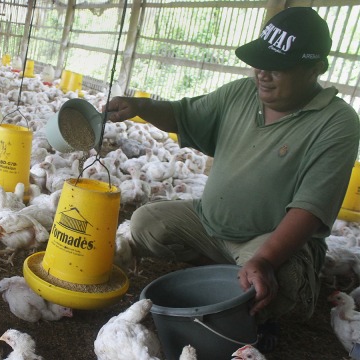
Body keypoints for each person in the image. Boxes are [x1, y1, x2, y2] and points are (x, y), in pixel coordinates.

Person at [105, 7, 360, 353]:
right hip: (209, 224)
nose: (263, 74)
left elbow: (310, 208)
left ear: (316, 69)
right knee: (146, 222)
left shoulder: (337, 122)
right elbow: (185, 114)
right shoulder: (241, 93)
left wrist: (265, 260)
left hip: (268, 239)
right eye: (259, 62)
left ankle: (253, 298)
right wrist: (141, 106)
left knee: (280, 283)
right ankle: (227, 275)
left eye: (278, 67)